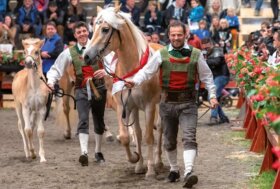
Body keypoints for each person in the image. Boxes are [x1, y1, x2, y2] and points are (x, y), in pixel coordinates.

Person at [125, 20, 218, 188]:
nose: (176, 38)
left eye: (179, 35)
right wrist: (134, 81)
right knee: (169, 140)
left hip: (189, 102)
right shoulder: (160, 55)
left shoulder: (196, 54)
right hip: (167, 103)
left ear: (186, 35)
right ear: (168, 36)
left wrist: (212, 96)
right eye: (173, 35)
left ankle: (189, 171)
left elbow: (207, 77)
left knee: (189, 137)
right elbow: (147, 71)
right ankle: (174, 170)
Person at [47, 21, 107, 166]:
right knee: (83, 119)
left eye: (84, 31)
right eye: (79, 32)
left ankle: (98, 152)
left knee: (99, 120)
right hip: (81, 89)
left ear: (89, 32)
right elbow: (56, 68)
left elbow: (113, 63)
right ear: (75, 35)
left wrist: (106, 71)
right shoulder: (69, 52)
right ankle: (84, 153)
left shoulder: (99, 47)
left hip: (99, 89)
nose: (82, 34)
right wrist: (50, 81)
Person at [201, 38, 230, 125]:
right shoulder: (205, 52)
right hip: (215, 77)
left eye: (206, 44)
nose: (205, 47)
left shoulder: (217, 50)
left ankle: (213, 117)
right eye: (203, 44)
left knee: (212, 96)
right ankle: (223, 117)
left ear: (210, 43)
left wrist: (204, 61)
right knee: (213, 97)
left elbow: (217, 62)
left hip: (222, 76)